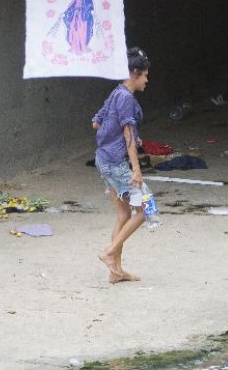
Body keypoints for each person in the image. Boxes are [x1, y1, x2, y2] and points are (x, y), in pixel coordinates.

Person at [91, 47, 150, 283]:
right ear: (135, 73)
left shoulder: (116, 93)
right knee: (146, 208)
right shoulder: (126, 98)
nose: (147, 80)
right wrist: (136, 169)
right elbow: (126, 135)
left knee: (124, 213)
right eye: (145, 75)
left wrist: (126, 134)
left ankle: (116, 272)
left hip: (103, 159)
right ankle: (109, 252)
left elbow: (96, 123)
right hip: (117, 163)